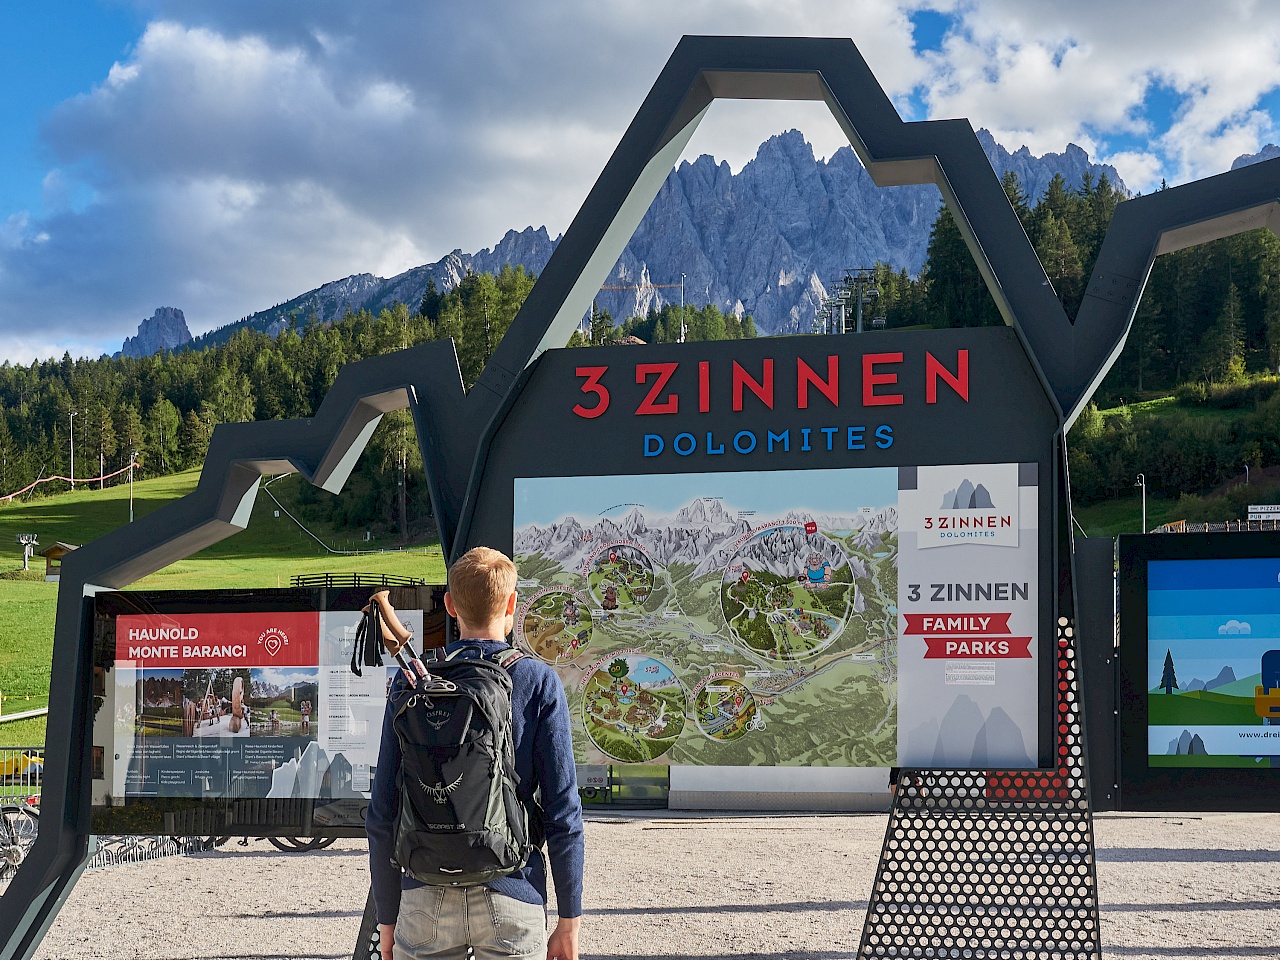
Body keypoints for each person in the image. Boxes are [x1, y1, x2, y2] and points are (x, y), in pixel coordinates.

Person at [366, 547, 584, 960]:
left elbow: (382, 812)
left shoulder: (413, 681)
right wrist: (569, 919)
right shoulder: (537, 682)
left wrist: (388, 919)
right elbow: (563, 811)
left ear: (449, 605)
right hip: (511, 890)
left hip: (423, 896)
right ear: (512, 604)